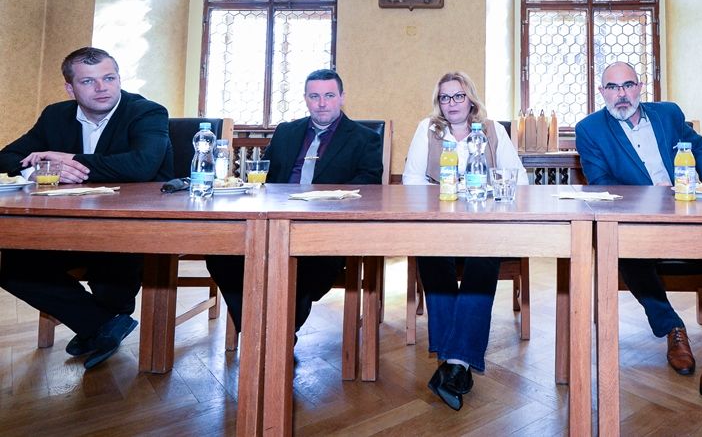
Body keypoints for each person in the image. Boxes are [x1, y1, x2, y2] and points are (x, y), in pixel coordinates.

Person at [575, 61, 702, 428]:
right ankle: (672, 326)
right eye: (612, 87)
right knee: (623, 249)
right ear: (602, 93)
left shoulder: (669, 114)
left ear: (640, 86)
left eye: (628, 85)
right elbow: (600, 183)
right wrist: (652, 194)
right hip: (640, 222)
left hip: (692, 210)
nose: (621, 94)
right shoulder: (590, 129)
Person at [0, 46, 174, 370]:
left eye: (109, 78)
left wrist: (68, 159)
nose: (102, 88)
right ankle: (101, 324)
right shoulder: (56, 115)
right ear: (70, 88)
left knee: (111, 266)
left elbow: (142, 165)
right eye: (88, 81)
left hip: (136, 228)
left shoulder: (147, 112)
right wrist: (35, 170)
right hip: (72, 225)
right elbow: (7, 156)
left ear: (119, 78)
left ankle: (98, 323)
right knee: (14, 264)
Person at [205, 69, 382, 336]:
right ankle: (257, 330)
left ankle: (278, 335)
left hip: (325, 230)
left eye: (329, 95)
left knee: (305, 267)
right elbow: (265, 177)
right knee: (221, 254)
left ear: (342, 97)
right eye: (314, 96)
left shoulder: (365, 138)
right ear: (306, 98)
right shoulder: (286, 132)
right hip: (272, 223)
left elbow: (368, 185)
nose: (321, 103)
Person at [402, 71, 527, 411]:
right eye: (445, 97)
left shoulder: (492, 130)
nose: (452, 103)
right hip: (438, 224)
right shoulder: (427, 129)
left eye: (458, 96)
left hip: (483, 224)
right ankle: (458, 365)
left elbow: (519, 178)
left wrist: (485, 188)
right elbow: (411, 181)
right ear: (438, 103)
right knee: (432, 257)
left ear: (470, 99)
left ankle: (453, 362)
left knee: (484, 260)